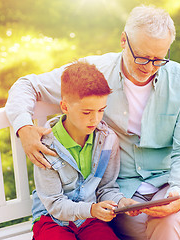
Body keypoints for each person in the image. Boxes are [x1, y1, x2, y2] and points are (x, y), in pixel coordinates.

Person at [6, 5, 180, 240]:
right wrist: (24, 128)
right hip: (116, 192)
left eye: (158, 59)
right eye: (140, 56)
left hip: (166, 184)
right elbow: (27, 85)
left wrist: (178, 195)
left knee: (167, 230)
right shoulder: (93, 75)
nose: (148, 67)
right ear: (123, 40)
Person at [31, 61, 138, 240]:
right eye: (86, 112)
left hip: (89, 219)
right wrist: (91, 210)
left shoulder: (107, 140)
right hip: (52, 220)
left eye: (101, 110)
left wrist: (121, 202)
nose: (95, 119)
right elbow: (55, 204)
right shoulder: (45, 146)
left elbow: (106, 188)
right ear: (65, 107)